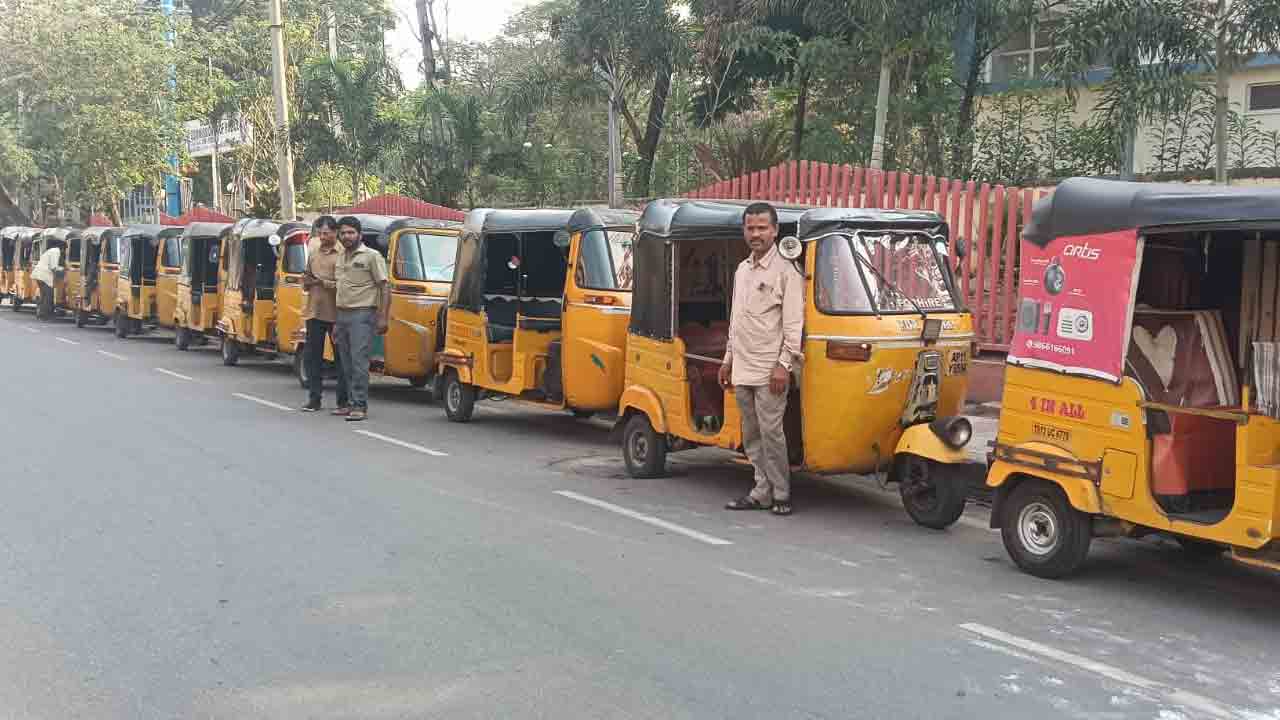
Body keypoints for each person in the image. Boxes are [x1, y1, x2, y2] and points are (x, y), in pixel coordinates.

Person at [719, 202, 804, 516]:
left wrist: (784, 364)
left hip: (771, 370)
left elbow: (793, 324)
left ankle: (781, 493)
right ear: (744, 230)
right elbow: (736, 320)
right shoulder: (743, 270)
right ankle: (761, 491)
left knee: (771, 433)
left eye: (761, 228)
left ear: (775, 230)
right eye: (750, 228)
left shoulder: (787, 270)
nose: (755, 234)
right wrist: (727, 359)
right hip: (742, 366)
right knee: (750, 434)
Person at [332, 216, 389, 422]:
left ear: (359, 235)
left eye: (351, 232)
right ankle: (348, 403)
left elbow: (384, 286)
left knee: (358, 362)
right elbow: (339, 288)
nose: (346, 236)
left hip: (362, 314)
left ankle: (359, 405)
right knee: (346, 363)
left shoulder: (371, 256)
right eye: (343, 233)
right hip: (342, 314)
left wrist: (383, 317)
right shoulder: (340, 257)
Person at [299, 216, 350, 413]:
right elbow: (306, 281)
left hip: (337, 314)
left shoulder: (343, 255)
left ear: (335, 233)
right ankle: (314, 399)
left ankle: (343, 401)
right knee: (313, 357)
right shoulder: (313, 254)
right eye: (320, 233)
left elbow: (345, 285)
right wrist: (308, 281)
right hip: (314, 312)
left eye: (326, 233)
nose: (323, 236)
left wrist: (323, 283)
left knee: (341, 358)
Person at [31, 240, 63, 322]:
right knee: (48, 296)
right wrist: (62, 269)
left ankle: (40, 314)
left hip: (39, 275)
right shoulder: (56, 251)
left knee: (43, 295)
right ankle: (45, 315)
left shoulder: (49, 251)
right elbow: (53, 267)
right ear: (62, 247)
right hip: (44, 276)